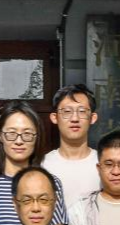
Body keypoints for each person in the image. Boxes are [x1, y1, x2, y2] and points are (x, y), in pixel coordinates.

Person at [41, 84, 100, 212]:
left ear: (93, 118)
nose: (74, 118)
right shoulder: (43, 165)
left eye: (82, 111)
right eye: (67, 111)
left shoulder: (105, 164)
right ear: (54, 117)